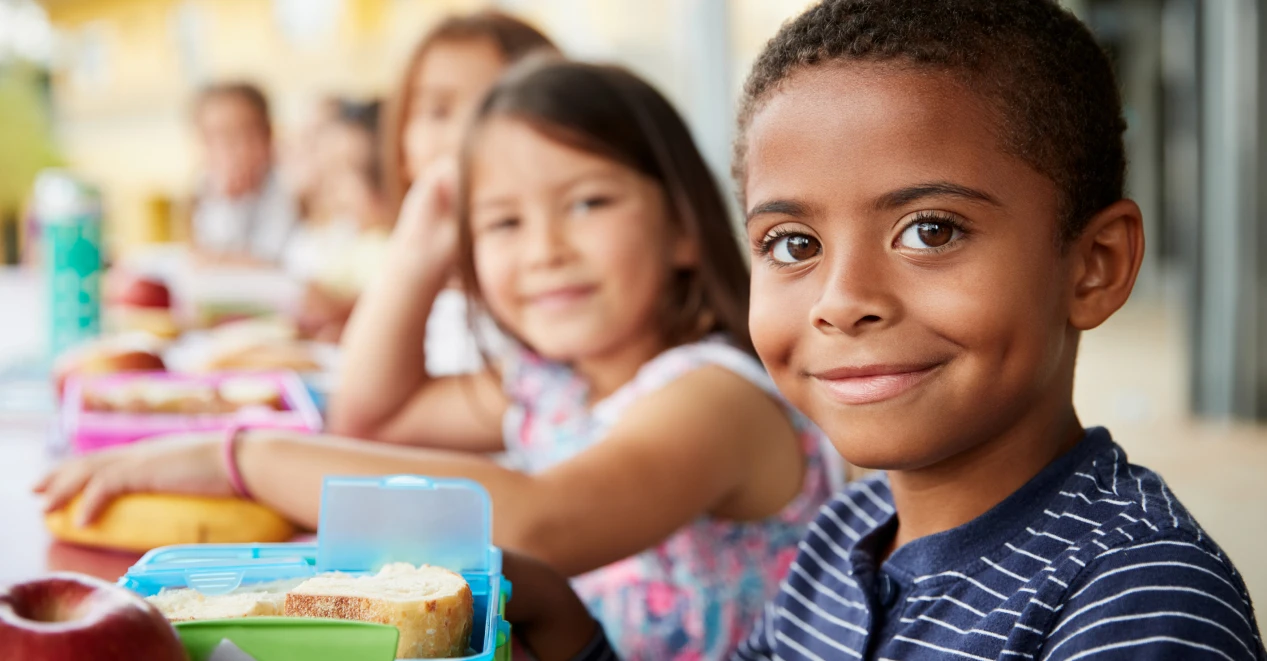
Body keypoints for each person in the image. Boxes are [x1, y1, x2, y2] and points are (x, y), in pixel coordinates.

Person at [494, 1, 1267, 660]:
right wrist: (565, 629)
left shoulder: (1138, 600)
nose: (842, 300)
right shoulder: (846, 534)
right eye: (793, 244)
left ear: (1092, 265)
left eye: (929, 230)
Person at [36, 59, 834, 661]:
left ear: (686, 227)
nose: (545, 250)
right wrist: (419, 246)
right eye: (503, 223)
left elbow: (533, 522)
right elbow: (370, 415)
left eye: (587, 202)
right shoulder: (549, 386)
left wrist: (235, 454)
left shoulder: (716, 395)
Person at [344, 9, 558, 379]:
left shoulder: (549, 279)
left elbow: (364, 417)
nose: (463, 137)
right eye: (438, 111)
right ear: (401, 149)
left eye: (493, 105)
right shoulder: (428, 281)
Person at [188, 82, 298, 266]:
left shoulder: (288, 184)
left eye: (243, 133)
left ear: (268, 134)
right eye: (217, 136)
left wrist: (218, 259)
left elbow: (272, 260)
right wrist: (227, 202)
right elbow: (202, 252)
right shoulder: (206, 187)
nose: (232, 148)